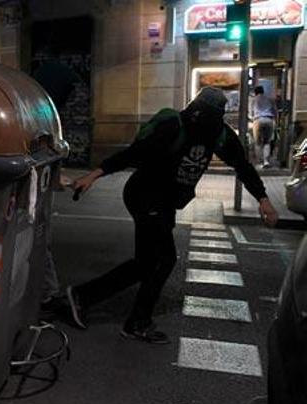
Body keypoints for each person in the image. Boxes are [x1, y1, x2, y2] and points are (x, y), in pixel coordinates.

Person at [64, 87, 278, 344]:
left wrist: (263, 199)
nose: (206, 122)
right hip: (145, 194)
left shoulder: (218, 134)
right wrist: (94, 174)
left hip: (163, 201)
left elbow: (242, 166)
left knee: (146, 262)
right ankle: (136, 322)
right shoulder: (174, 126)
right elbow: (134, 153)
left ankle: (80, 297)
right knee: (163, 260)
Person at [31, 54, 82, 314]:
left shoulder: (42, 111)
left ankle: (45, 294)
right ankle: (46, 295)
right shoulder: (40, 114)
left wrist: (62, 180)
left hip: (37, 194)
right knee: (38, 243)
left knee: (39, 244)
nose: (72, 97)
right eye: (68, 91)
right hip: (31, 198)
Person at [250, 85, 276, 169]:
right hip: (269, 120)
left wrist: (252, 119)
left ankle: (259, 162)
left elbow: (251, 113)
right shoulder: (270, 99)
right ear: (263, 91)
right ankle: (266, 161)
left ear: (255, 92)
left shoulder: (254, 100)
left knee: (257, 142)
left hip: (258, 120)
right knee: (267, 142)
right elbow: (275, 111)